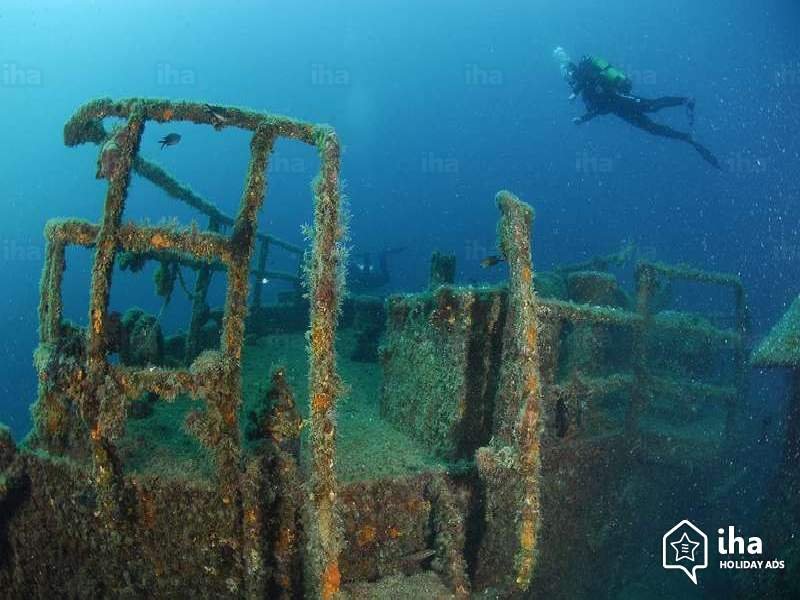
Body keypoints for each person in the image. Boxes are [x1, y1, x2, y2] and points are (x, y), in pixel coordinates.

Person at [553, 47, 720, 169]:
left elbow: (590, 82)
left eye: (568, 75)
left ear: (571, 69)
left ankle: (686, 100)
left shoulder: (584, 71)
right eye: (567, 79)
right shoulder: (584, 93)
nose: (569, 80)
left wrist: (576, 92)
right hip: (621, 111)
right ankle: (687, 137)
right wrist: (582, 118)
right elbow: (598, 109)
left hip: (620, 99)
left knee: (652, 106)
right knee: (652, 129)